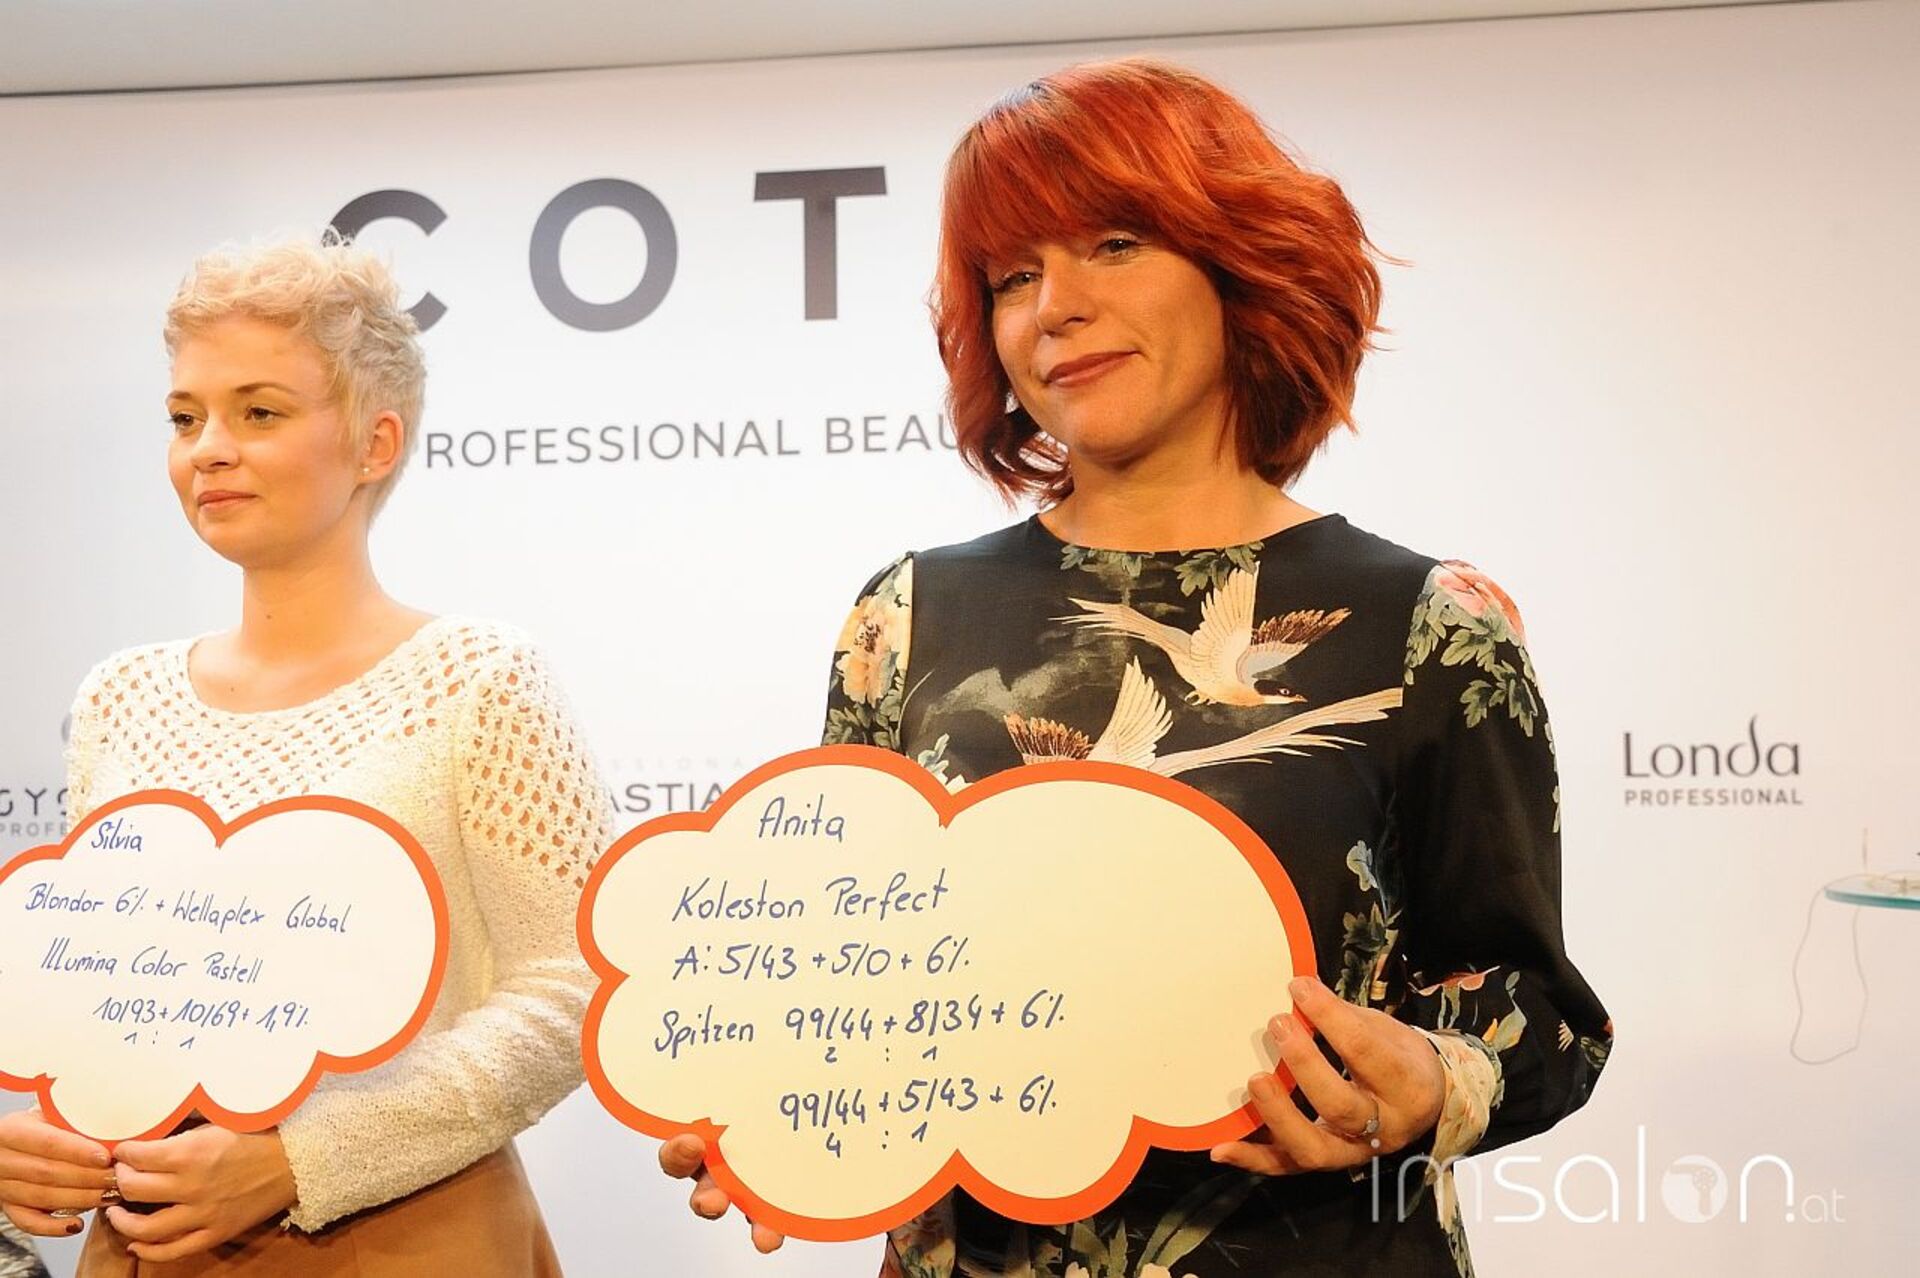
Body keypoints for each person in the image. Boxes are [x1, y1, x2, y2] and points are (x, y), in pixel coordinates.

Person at [662, 57, 1611, 1276]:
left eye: (1113, 244)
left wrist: (1432, 1080)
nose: (1054, 306)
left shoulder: (1432, 624)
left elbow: (1544, 1018)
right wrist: (774, 1102)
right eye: (1012, 276)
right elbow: (852, 964)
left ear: (1240, 261)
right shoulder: (907, 615)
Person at [0, 235, 611, 1274]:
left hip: (412, 1238)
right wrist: (43, 1141)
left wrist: (303, 1158)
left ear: (375, 444)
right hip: (151, 1241)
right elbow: (104, 991)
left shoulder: (478, 679)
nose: (208, 449)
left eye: (259, 413)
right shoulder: (119, 696)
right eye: (185, 417)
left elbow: (578, 982)